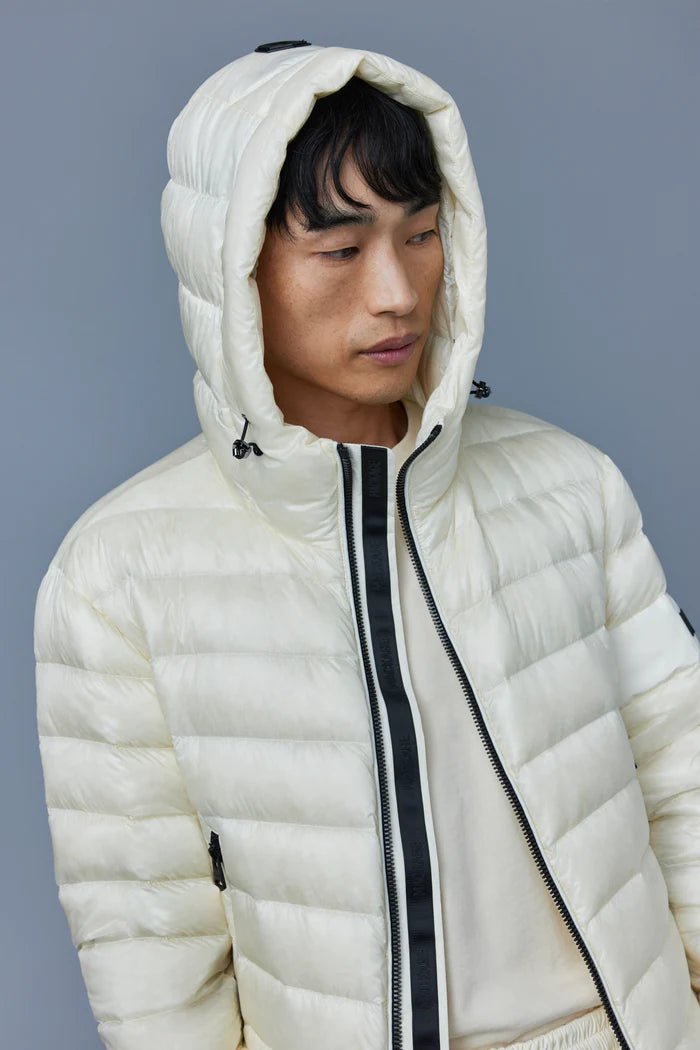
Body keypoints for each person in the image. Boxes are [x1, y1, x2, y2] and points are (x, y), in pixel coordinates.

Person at [33, 40, 700, 1050]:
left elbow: (684, 784)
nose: (397, 292)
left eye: (421, 234)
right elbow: (149, 949)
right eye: (340, 250)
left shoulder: (571, 488)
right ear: (229, 267)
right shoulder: (119, 574)